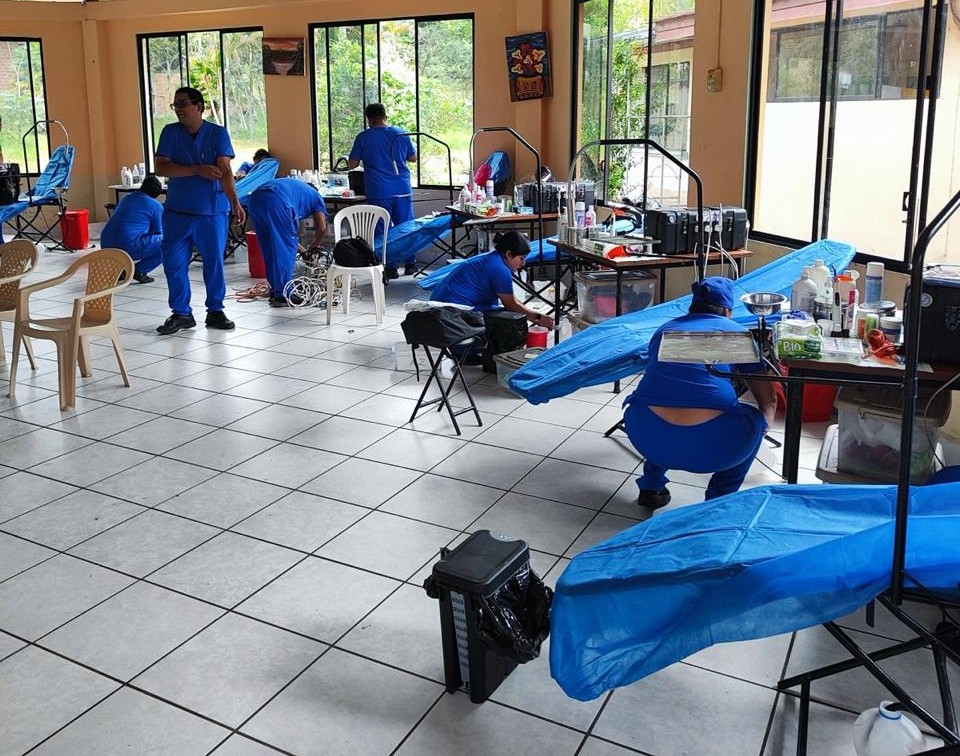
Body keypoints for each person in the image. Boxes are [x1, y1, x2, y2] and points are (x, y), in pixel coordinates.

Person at [622, 276, 777, 509]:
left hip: (647, 435)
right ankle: (715, 504)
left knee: (665, 398)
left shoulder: (665, 330)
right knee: (753, 420)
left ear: (692, 307)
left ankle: (651, 487)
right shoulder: (737, 334)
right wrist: (762, 428)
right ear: (727, 311)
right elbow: (769, 400)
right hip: (714, 449)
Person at [153, 86, 243, 335]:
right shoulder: (170, 132)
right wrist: (197, 169)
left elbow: (225, 170)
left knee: (213, 263)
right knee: (174, 263)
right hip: (178, 211)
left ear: (199, 106)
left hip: (211, 212)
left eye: (183, 104)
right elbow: (161, 167)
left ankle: (215, 310)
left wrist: (234, 202)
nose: (178, 109)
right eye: (175, 105)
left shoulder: (217, 134)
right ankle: (181, 313)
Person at [430, 230, 555, 330]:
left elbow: (511, 299)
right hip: (452, 313)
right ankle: (477, 349)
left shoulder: (493, 259)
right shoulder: (499, 269)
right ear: (508, 254)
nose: (523, 264)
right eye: (521, 258)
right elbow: (511, 305)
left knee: (514, 313)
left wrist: (533, 314)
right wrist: (538, 317)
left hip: (440, 307)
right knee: (511, 322)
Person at [347, 103, 417, 279]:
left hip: (379, 190)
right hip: (402, 188)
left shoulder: (363, 137)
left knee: (382, 228)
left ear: (368, 119)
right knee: (406, 227)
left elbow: (352, 164)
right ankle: (411, 264)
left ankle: (390, 266)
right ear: (385, 116)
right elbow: (413, 157)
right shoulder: (400, 133)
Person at [247, 177, 328, 307]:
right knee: (285, 250)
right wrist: (316, 245)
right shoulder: (316, 196)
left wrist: (303, 250)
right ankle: (283, 294)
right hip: (277, 200)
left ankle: (275, 290)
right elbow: (322, 227)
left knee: (270, 247)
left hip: (255, 199)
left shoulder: (297, 189)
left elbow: (284, 237)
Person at [99, 174, 164, 284]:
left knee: (130, 235)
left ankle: (121, 271)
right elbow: (157, 231)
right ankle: (139, 271)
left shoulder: (125, 198)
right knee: (167, 242)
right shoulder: (155, 206)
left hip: (106, 244)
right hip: (127, 246)